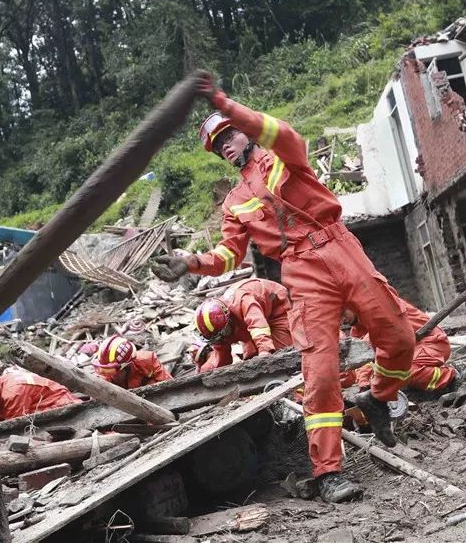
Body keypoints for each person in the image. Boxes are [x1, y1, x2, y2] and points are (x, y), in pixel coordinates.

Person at [151, 71, 417, 503]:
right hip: (300, 271)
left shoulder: (283, 154)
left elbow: (279, 131)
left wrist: (224, 104)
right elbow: (229, 255)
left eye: (230, 138)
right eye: (220, 148)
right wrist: (190, 262)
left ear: (245, 132)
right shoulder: (236, 201)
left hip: (339, 245)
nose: (227, 149)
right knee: (321, 370)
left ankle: (378, 398)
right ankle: (328, 471)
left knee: (399, 336)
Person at [342, 307, 459, 398]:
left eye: (342, 313)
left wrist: (364, 384)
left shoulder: (375, 308)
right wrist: (365, 382)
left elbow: (367, 350)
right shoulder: (358, 326)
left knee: (402, 371)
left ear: (351, 305)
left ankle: (451, 376)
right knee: (384, 373)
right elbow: (363, 360)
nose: (342, 320)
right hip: (409, 347)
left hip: (430, 341)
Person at [194, 278, 293, 371]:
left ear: (229, 320)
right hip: (247, 324)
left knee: (280, 356)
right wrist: (206, 373)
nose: (223, 339)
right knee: (250, 359)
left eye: (223, 334)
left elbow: (258, 326)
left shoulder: (243, 301)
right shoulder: (218, 331)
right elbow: (222, 357)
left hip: (276, 310)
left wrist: (264, 352)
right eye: (218, 338)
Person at [0, 367, 80, 422]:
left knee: (32, 426)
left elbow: (15, 427)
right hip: (43, 401)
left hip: (60, 403)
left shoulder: (13, 394)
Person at [93, 335, 172, 389]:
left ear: (127, 364)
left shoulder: (147, 360)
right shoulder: (102, 377)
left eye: (111, 370)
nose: (107, 374)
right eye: (103, 369)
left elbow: (168, 382)